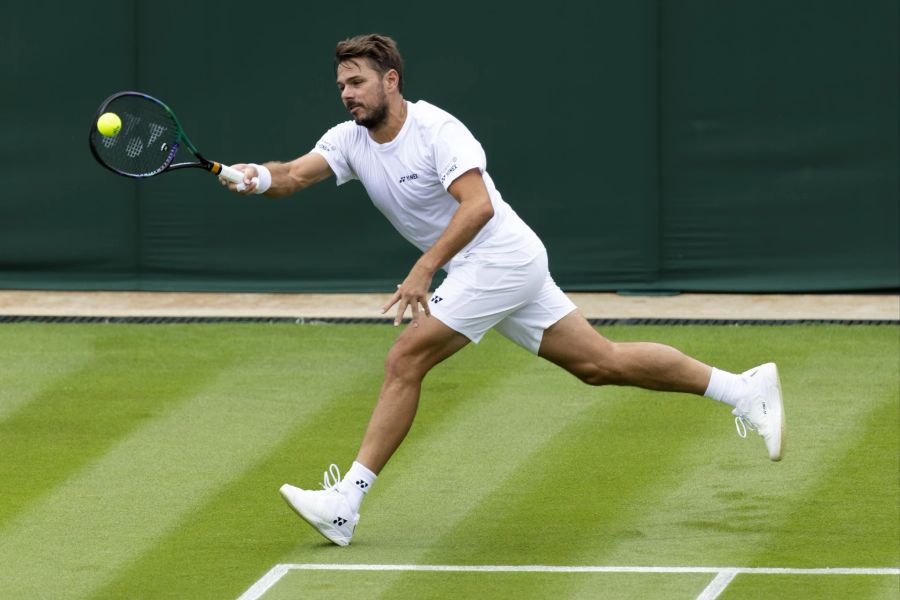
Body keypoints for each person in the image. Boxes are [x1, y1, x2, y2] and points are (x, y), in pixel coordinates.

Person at [222, 34, 785, 547]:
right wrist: (257, 177)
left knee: (405, 358)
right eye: (342, 85)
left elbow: (479, 205)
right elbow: (293, 175)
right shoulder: (349, 140)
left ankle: (345, 503)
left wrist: (425, 268)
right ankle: (742, 389)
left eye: (358, 82)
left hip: (499, 259)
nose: (347, 94)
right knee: (599, 363)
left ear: (390, 80)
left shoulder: (437, 131)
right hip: (487, 267)